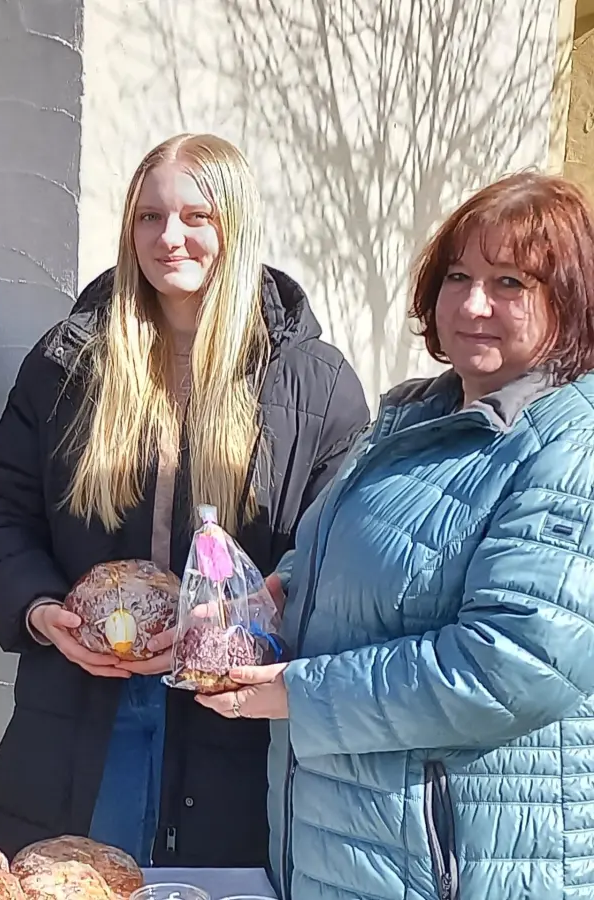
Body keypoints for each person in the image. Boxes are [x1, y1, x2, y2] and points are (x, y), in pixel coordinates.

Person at [0, 133, 369, 868]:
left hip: (228, 713)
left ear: (234, 226)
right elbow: (3, 509)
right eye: (149, 217)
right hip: (82, 705)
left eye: (195, 217)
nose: (168, 237)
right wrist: (39, 609)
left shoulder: (314, 380)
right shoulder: (71, 362)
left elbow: (332, 551)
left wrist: (235, 622)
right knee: (71, 879)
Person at [203, 174, 594, 899]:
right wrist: (272, 597)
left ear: (570, 302)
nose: (473, 305)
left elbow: (514, 665)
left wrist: (296, 694)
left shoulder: (572, 447)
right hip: (351, 850)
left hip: (457, 866)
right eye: (458, 277)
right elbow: (353, 557)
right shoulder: (417, 418)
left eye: (510, 283)